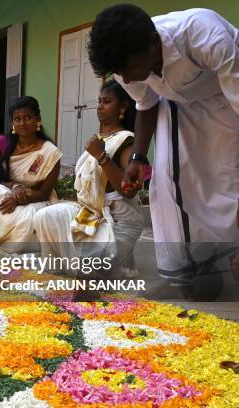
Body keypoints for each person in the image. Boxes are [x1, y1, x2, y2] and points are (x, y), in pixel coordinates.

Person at [88, 5, 239, 291]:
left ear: (154, 44)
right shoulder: (126, 66)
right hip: (179, 103)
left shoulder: (203, 34)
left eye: (130, 70)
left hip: (229, 96)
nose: (128, 80)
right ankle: (184, 270)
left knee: (229, 177)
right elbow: (145, 104)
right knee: (168, 180)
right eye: (121, 73)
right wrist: (138, 157)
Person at [33, 80, 144, 277]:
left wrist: (102, 157)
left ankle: (113, 258)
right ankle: (56, 265)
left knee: (91, 268)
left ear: (123, 107)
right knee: (45, 216)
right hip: (91, 213)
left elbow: (129, 190)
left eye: (107, 101)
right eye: (99, 101)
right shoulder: (99, 139)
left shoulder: (127, 140)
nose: (99, 106)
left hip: (117, 221)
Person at [0, 97, 62, 257]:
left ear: (37, 119)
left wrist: (20, 198)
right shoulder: (5, 145)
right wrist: (14, 187)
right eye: (17, 119)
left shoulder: (50, 152)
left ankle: (2, 244)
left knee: (26, 224)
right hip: (8, 194)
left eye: (27, 118)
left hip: (36, 200)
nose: (22, 123)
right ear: (12, 123)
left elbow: (44, 193)